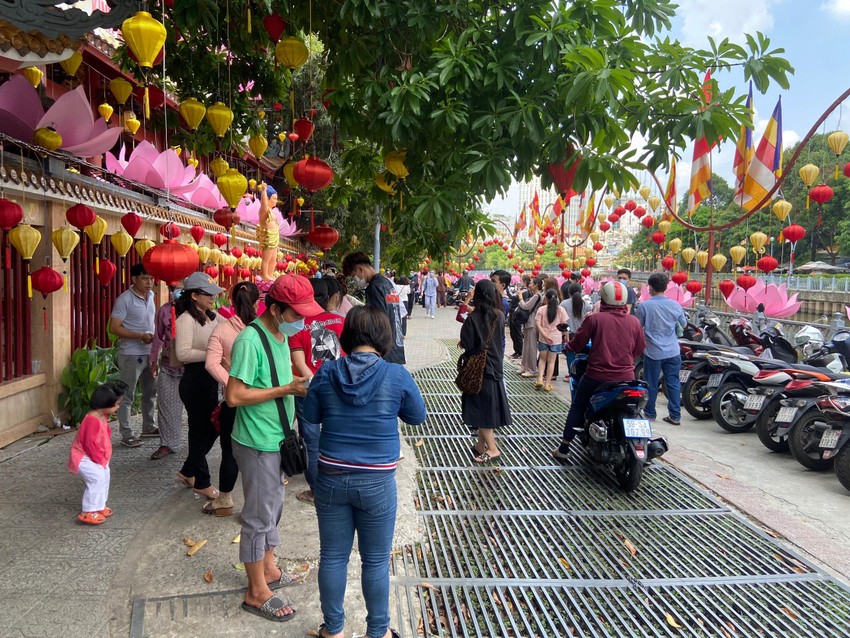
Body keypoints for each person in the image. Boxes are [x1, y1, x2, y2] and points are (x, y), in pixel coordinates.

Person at [302, 306, 426, 638]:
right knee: (374, 562)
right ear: (384, 338)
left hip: (330, 480)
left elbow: (310, 417)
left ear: (347, 337)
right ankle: (379, 633)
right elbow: (416, 416)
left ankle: (334, 630)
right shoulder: (396, 374)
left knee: (332, 557)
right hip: (377, 484)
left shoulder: (326, 372)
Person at [226, 274, 322, 622]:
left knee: (273, 508)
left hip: (276, 439)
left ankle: (268, 568)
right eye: (297, 314)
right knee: (258, 515)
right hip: (256, 442)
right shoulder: (250, 341)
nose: (303, 321)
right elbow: (234, 396)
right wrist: (286, 391)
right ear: (277, 309)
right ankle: (255, 591)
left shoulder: (281, 337)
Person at [552, 280, 645, 459]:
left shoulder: (594, 319)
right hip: (626, 376)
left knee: (578, 405)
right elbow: (640, 348)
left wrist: (568, 346)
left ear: (603, 299)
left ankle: (564, 448)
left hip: (597, 375)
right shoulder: (634, 322)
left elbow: (578, 343)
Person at [203, 281, 261, 516]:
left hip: (234, 401)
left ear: (232, 303)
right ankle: (256, 506)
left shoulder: (222, 329)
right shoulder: (264, 329)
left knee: (230, 451)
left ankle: (224, 500)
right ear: (258, 303)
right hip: (260, 400)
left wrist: (232, 383)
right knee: (260, 452)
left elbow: (210, 364)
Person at [290, 278, 345, 506]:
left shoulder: (297, 325)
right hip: (338, 386)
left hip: (307, 388)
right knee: (337, 434)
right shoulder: (342, 321)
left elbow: (298, 360)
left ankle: (315, 491)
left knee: (311, 440)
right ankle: (340, 481)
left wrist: (313, 382)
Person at [174, 272, 227, 500]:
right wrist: (212, 354)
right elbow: (182, 353)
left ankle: (188, 471)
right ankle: (201, 482)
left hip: (209, 379)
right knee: (198, 431)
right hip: (194, 381)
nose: (212, 298)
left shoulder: (213, 316)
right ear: (194, 296)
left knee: (214, 426)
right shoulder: (186, 319)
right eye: (208, 295)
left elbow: (232, 327)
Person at [461, 280, 512, 463]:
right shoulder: (499, 316)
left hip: (478, 371)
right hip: (495, 368)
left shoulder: (473, 318)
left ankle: (492, 449)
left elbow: (467, 343)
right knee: (485, 409)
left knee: (480, 411)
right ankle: (479, 446)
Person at [108, 262, 157, 448]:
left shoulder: (151, 296)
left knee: (150, 392)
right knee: (127, 396)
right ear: (134, 279)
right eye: (145, 278)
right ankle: (127, 433)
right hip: (131, 354)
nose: (149, 282)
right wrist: (140, 336)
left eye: (151, 278)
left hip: (149, 353)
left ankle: (148, 426)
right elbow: (115, 327)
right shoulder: (125, 299)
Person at [68, 381, 126, 525]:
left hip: (97, 457)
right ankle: (87, 511)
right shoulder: (92, 420)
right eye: (116, 405)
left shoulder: (101, 416)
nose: (118, 407)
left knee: (104, 476)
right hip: (84, 457)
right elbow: (90, 444)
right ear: (106, 405)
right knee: (97, 479)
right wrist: (99, 459)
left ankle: (99, 505)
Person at [635, 272, 687, 425]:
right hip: (672, 350)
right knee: (673, 383)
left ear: (650, 288)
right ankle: (675, 415)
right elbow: (683, 324)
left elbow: (638, 327)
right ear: (666, 288)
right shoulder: (675, 305)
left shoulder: (645, 306)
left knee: (651, 383)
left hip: (653, 351)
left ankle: (650, 414)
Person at [342, 252, 406, 364]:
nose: (355, 280)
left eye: (353, 276)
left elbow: (376, 320)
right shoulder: (387, 283)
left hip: (383, 351)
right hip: (395, 346)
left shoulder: (374, 287)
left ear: (360, 270)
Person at [148, 285, 184, 460]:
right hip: (169, 367)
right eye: (173, 287)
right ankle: (167, 443)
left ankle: (201, 445)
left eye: (180, 288)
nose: (175, 291)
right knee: (167, 406)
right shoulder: (164, 310)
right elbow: (158, 337)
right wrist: (153, 360)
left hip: (193, 368)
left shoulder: (198, 311)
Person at [535, 289, 568, 392]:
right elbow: (565, 326)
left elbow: (538, 324)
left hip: (543, 339)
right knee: (551, 362)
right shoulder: (561, 310)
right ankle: (547, 384)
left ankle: (540, 379)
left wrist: (544, 335)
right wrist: (566, 336)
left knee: (542, 359)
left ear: (546, 298)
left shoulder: (541, 309)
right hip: (556, 339)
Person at [560, 282, 592, 384]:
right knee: (582, 356)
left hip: (568, 334)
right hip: (583, 335)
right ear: (581, 291)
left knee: (570, 356)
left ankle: (571, 374)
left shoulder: (564, 304)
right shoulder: (586, 305)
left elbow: (561, 321)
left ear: (569, 292)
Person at [517, 276, 544, 377]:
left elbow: (525, 306)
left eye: (532, 283)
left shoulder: (537, 296)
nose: (530, 285)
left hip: (532, 323)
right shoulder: (535, 295)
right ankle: (524, 366)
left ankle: (531, 369)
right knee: (526, 346)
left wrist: (520, 297)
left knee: (531, 347)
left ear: (537, 285)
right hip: (529, 322)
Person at [257, 184, 280, 281]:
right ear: (267, 198)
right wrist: (263, 190)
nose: (276, 201)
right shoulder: (264, 210)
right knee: (266, 258)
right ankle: (265, 275)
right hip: (268, 236)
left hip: (274, 237)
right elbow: (263, 203)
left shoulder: (273, 212)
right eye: (274, 198)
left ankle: (270, 273)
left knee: (273, 258)